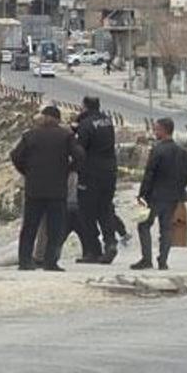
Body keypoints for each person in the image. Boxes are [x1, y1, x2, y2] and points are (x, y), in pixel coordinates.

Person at [10, 106, 85, 271]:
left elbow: (15, 156)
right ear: (58, 119)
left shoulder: (30, 135)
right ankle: (50, 262)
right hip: (57, 190)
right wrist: (69, 169)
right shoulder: (66, 136)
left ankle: (25, 261)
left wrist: (27, 171)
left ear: (45, 117)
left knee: (29, 227)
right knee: (55, 228)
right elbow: (80, 155)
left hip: (34, 189)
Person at [132, 118, 187, 270]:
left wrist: (142, 194)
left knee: (144, 225)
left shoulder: (157, 150)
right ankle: (163, 260)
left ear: (164, 130)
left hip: (155, 195)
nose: (155, 132)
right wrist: (178, 188)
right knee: (166, 228)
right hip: (173, 196)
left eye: (157, 129)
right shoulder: (182, 152)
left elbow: (149, 174)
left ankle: (147, 259)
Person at [75, 96, 119, 264]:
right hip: (109, 171)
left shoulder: (85, 125)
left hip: (90, 173)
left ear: (85, 107)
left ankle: (93, 250)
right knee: (105, 209)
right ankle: (110, 242)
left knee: (86, 212)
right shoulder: (107, 121)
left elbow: (80, 149)